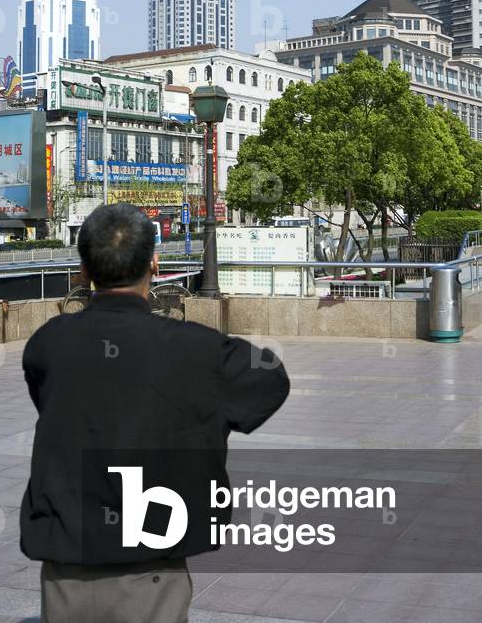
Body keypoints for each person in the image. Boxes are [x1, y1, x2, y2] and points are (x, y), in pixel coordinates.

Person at [20, 203, 290, 623]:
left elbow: (50, 398)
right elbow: (271, 380)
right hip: (151, 566)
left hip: (66, 565)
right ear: (154, 264)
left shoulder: (48, 343)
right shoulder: (195, 349)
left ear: (85, 271)